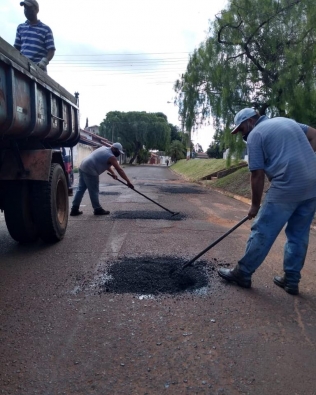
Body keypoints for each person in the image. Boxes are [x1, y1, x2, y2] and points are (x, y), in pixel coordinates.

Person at [218, 108, 316, 295]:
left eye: (241, 130)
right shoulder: (287, 121)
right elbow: (315, 135)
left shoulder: (256, 134)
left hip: (287, 185)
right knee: (299, 234)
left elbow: (257, 175)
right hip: (312, 185)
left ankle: (243, 273)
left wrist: (255, 206)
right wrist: (305, 159)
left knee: (263, 229)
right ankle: (291, 280)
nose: (242, 135)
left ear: (250, 122)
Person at [70, 143, 134, 216]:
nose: (118, 154)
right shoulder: (111, 156)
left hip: (83, 166)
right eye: (118, 152)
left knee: (80, 189)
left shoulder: (104, 148)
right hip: (90, 169)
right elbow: (119, 170)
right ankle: (97, 209)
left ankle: (74, 209)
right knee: (94, 190)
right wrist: (128, 181)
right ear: (114, 149)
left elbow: (104, 163)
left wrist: (113, 173)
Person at [14, 0, 55, 72]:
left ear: (36, 9)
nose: (26, 10)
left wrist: (44, 62)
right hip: (22, 67)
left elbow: (51, 50)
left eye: (29, 8)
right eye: (25, 8)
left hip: (38, 71)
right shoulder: (20, 27)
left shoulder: (45, 29)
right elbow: (16, 48)